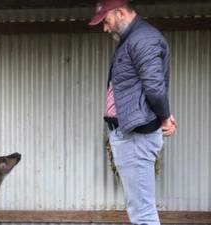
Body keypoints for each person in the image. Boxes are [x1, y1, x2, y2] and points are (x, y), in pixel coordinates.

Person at [88, 0, 177, 224]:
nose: (105, 28)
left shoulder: (143, 39)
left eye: (106, 21)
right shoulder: (133, 40)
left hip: (136, 137)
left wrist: (165, 118)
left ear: (119, 13)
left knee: (142, 214)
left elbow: (155, 87)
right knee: (138, 208)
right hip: (129, 135)